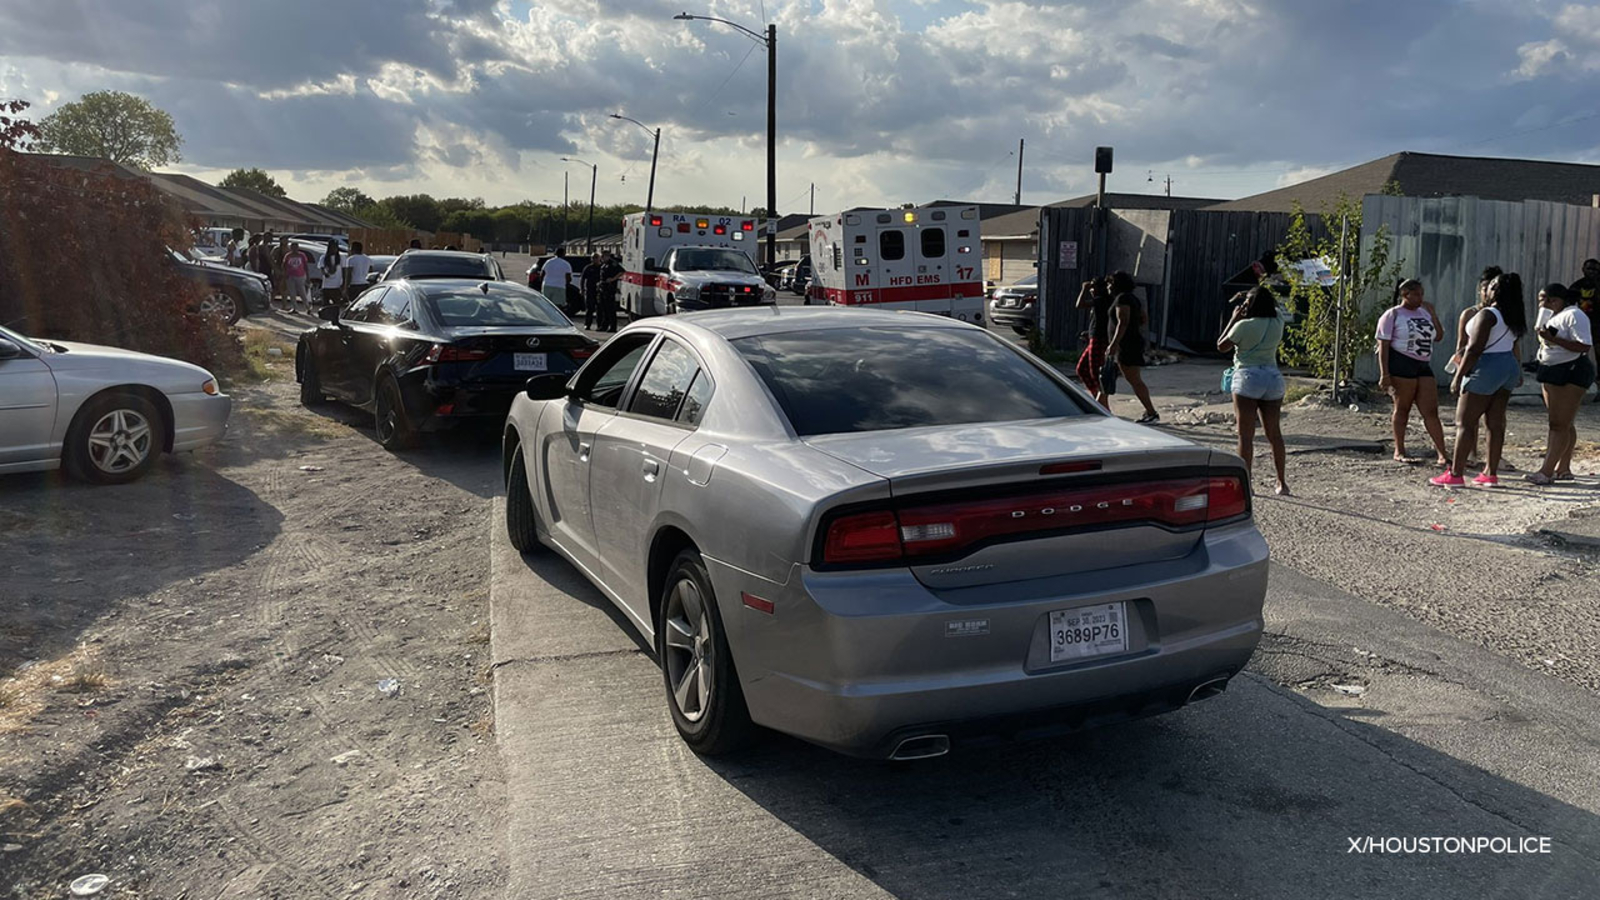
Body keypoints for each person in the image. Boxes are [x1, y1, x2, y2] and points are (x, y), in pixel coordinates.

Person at [1432, 273, 1528, 487]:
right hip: (1507, 366)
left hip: (1486, 367)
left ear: (1497, 291)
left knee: (1465, 422)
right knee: (1495, 423)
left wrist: (1459, 375)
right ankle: (1490, 473)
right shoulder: (1513, 315)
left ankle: (1456, 474)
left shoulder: (1487, 314)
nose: (1487, 288)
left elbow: (1474, 348)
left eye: (1492, 285)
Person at [1218, 285, 1290, 495]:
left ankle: (1246, 484)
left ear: (1250, 306)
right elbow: (1273, 306)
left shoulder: (1243, 326)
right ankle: (1281, 482)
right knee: (1274, 433)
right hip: (1273, 377)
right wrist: (1252, 297)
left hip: (1248, 377)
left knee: (1245, 436)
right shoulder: (1277, 321)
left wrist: (1234, 317)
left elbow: (1221, 345)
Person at [1375, 278, 1450, 466]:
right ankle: (1399, 450)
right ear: (1405, 295)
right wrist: (1385, 374)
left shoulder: (1424, 313)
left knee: (1431, 410)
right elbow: (1383, 345)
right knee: (1403, 408)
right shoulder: (1393, 314)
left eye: (1422, 294)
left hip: (1423, 364)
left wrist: (1432, 314)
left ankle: (1442, 453)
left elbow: (1439, 336)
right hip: (1401, 362)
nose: (1420, 298)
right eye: (1416, 294)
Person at [1527, 284, 1594, 484]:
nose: (1543, 303)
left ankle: (1546, 472)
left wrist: (1553, 339)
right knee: (1564, 423)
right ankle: (1562, 467)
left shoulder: (1574, 315)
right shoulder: (1550, 315)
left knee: (1558, 424)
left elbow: (1584, 345)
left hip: (1571, 369)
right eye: (1541, 299)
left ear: (1558, 299)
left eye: (1547, 299)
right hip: (1552, 369)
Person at [1447, 266, 1502, 464]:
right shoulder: (1470, 314)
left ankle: (1492, 458)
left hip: (1493, 369)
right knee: (1468, 417)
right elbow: (1462, 344)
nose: (1488, 292)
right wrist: (1459, 369)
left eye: (1492, 287)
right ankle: (1470, 452)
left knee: (1493, 418)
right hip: (1473, 365)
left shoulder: (1501, 314)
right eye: (1485, 287)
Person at [1105, 271, 1159, 423]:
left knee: (1134, 379)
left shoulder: (1123, 299)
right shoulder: (1133, 298)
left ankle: (1151, 412)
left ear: (1116, 285)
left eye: (1110, 283)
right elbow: (1143, 318)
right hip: (1129, 343)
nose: (1108, 287)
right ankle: (1100, 408)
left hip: (1126, 345)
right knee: (1108, 377)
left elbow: (1123, 321)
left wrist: (1114, 343)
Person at [1073, 277, 1113, 407]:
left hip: (1099, 339)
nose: (1091, 290)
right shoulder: (1101, 301)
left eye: (1093, 288)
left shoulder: (1101, 300)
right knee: (1082, 369)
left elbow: (1079, 304)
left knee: (1095, 372)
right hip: (1094, 337)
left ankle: (1102, 404)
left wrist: (1083, 289)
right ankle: (1096, 398)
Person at [282, 241, 312, 314]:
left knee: (302, 292)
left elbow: (306, 266)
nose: (294, 249)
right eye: (293, 247)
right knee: (292, 293)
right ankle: (295, 308)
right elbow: (284, 265)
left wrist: (308, 277)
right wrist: (285, 274)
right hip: (290, 276)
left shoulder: (302, 255)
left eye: (296, 247)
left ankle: (307, 307)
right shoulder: (288, 255)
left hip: (300, 276)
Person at [597, 251, 624, 332]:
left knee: (610, 309)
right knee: (604, 309)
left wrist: (613, 279)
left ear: (607, 256)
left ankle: (613, 327)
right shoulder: (604, 265)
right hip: (603, 288)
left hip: (610, 289)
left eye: (603, 256)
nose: (601, 258)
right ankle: (604, 326)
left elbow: (621, 272)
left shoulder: (613, 263)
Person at [541, 246, 574, 312]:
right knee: (558, 306)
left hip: (547, 285)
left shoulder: (548, 262)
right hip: (559, 286)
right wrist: (566, 283)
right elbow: (568, 278)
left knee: (546, 304)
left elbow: (542, 274)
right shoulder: (566, 264)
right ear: (563, 254)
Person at [318, 239, 344, 309]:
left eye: (335, 247)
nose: (334, 249)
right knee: (325, 306)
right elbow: (322, 268)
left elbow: (344, 271)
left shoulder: (341, 258)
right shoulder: (323, 258)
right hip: (326, 286)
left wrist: (344, 284)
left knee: (336, 305)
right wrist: (326, 274)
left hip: (336, 286)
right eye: (332, 247)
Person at [581, 253, 602, 330]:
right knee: (589, 309)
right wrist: (582, 289)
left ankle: (599, 325)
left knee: (599, 309)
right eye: (593, 258)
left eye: (596, 258)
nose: (595, 259)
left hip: (599, 291)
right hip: (590, 290)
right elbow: (583, 279)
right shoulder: (588, 268)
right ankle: (587, 324)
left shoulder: (602, 267)